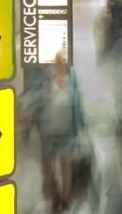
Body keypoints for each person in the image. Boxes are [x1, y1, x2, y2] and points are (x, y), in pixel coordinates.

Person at [37, 51, 85, 213]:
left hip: (66, 132)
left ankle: (65, 199)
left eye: (62, 62)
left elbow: (77, 106)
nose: (59, 65)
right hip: (48, 131)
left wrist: (79, 128)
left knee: (66, 166)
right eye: (57, 62)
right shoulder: (47, 78)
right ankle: (55, 195)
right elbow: (40, 101)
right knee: (48, 167)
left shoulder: (72, 79)